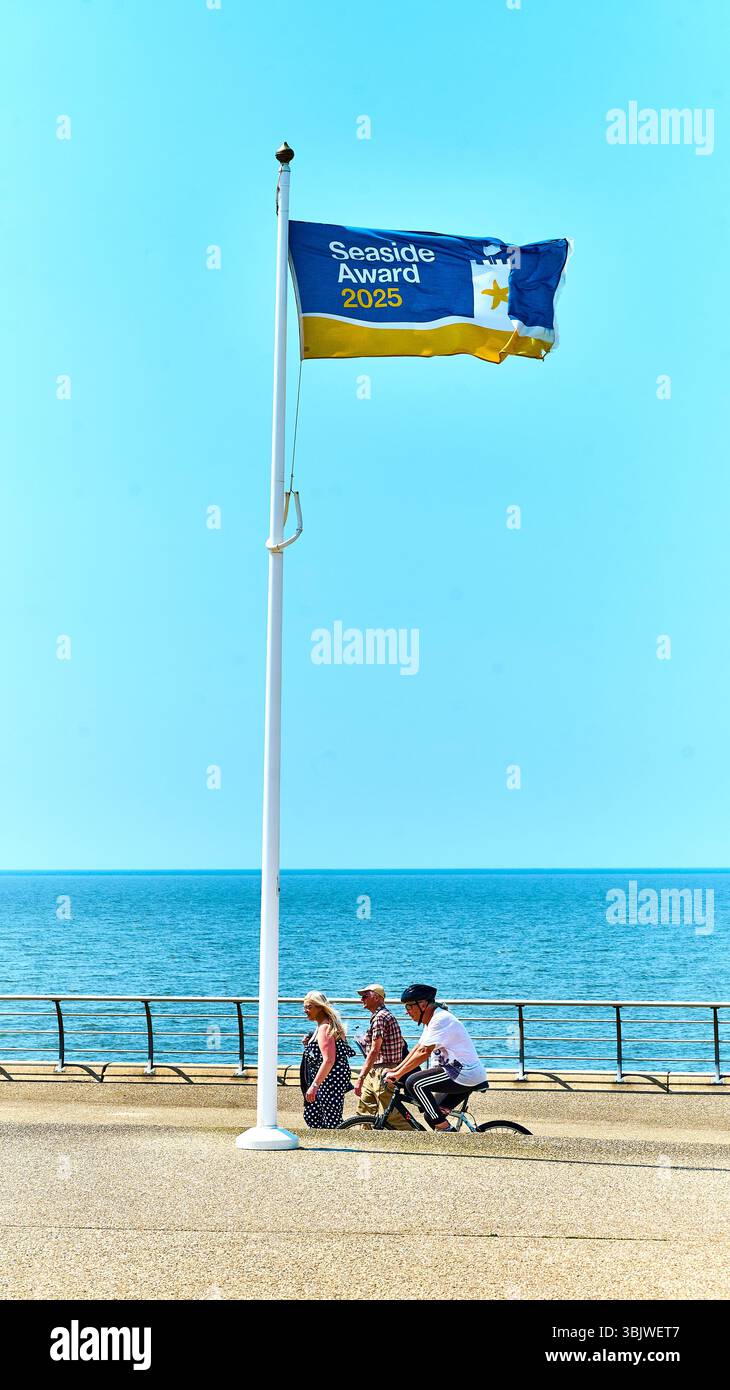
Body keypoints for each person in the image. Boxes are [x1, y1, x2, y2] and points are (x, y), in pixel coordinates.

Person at [384, 984, 487, 1131]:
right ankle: (452, 1144)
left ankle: (446, 1129)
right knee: (431, 1115)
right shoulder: (431, 1020)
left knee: (414, 1082)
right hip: (458, 1073)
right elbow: (418, 1048)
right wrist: (396, 1070)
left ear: (423, 1004)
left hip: (463, 1073)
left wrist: (398, 1074)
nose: (407, 1012)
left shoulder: (440, 1019)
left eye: (409, 1007)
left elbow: (424, 1052)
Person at [352, 983, 411, 1129]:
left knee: (392, 1115)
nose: (362, 999)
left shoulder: (380, 1017)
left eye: (365, 996)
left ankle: (415, 1139)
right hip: (376, 1069)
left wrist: (360, 1078)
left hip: (383, 1070)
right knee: (364, 1110)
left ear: (377, 998)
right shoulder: (381, 1016)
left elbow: (374, 1050)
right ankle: (364, 1141)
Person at [300, 990, 355, 1129]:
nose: (305, 1010)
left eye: (309, 1007)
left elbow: (329, 1059)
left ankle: (335, 1146)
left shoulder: (325, 1027)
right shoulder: (323, 1026)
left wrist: (314, 1085)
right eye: (305, 1007)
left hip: (330, 1080)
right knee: (312, 1114)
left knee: (331, 1120)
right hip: (327, 1079)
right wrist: (309, 1045)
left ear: (320, 1007)